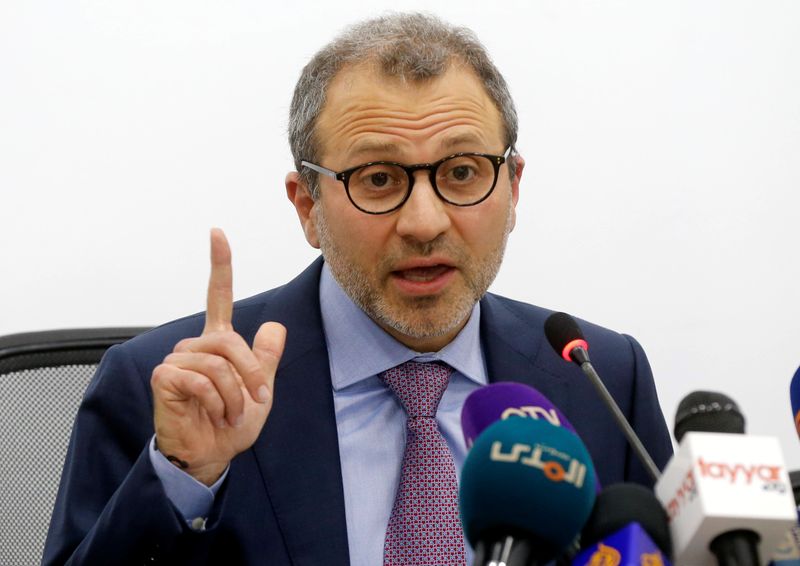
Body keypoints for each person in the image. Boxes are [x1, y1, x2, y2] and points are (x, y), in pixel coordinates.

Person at [43, 13, 673, 566]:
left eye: (461, 172)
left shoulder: (604, 381)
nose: (424, 222)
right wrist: (184, 476)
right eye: (377, 178)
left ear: (513, 188)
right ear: (307, 207)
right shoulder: (165, 389)